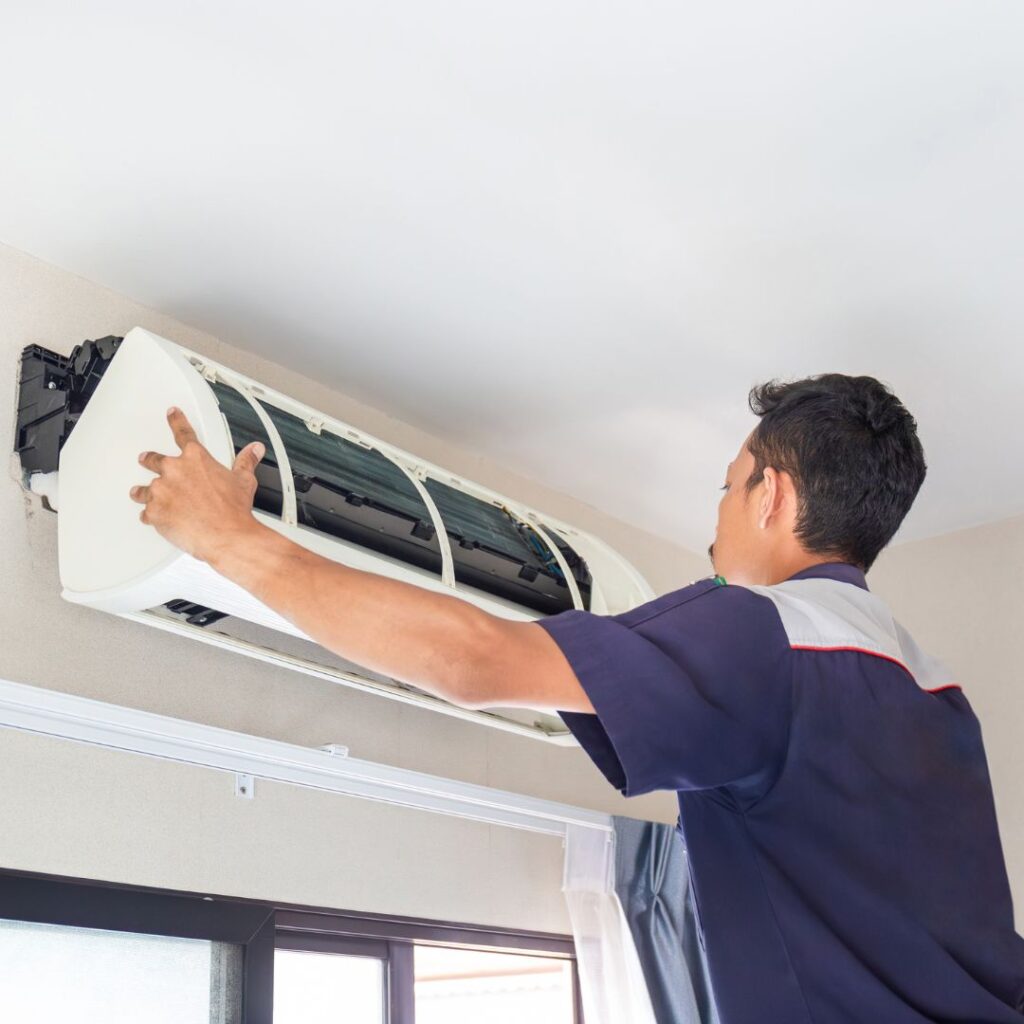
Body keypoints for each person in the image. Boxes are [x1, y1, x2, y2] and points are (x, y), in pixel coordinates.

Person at [129, 372, 1024, 1023]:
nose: (716, 513)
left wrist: (228, 539)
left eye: (726, 486)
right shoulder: (934, 691)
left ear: (772, 496)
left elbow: (476, 661)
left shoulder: (764, 633)